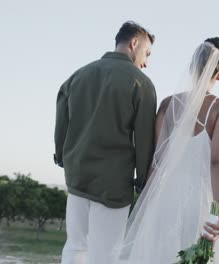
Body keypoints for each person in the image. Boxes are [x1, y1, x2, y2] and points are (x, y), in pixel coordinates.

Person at [113, 37, 219, 264]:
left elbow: (157, 161)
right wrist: (216, 212)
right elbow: (218, 162)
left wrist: (146, 206)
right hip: (201, 201)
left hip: (165, 199)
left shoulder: (168, 105)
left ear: (191, 68)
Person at [54, 21, 156, 264]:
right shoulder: (142, 84)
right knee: (106, 255)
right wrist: (142, 181)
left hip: (77, 177)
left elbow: (61, 123)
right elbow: (144, 141)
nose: (146, 62)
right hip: (113, 185)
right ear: (134, 43)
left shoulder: (78, 75)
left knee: (75, 248)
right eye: (147, 53)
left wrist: (61, 156)